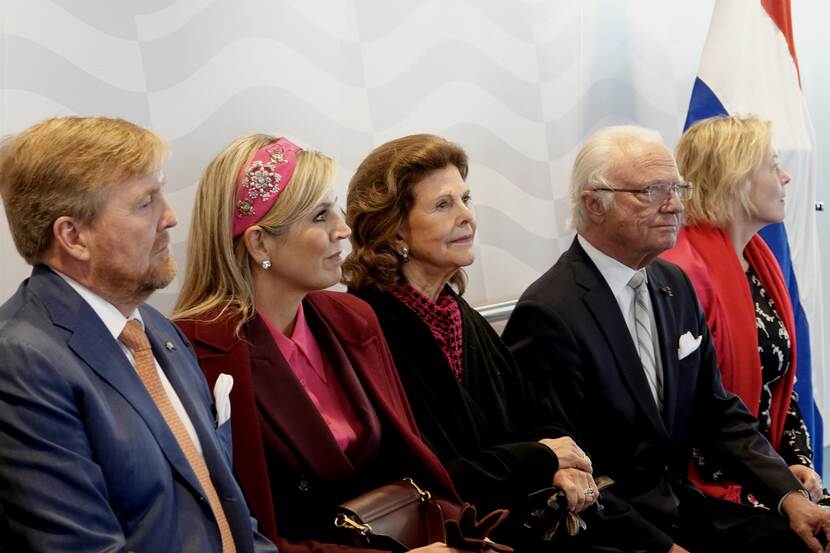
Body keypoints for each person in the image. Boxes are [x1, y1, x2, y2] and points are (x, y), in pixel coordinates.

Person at [502, 125, 830, 553]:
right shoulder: (549, 313)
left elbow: (717, 413)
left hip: (681, 508)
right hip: (612, 529)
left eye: (676, 188)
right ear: (594, 205)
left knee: (811, 539)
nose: (675, 205)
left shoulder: (670, 281)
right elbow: (568, 470)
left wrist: (788, 495)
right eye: (652, 191)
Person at [172, 134, 494, 553]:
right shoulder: (199, 353)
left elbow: (412, 464)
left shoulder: (351, 318)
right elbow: (239, 533)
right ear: (259, 243)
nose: (343, 229)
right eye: (321, 216)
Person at [0, 116, 276, 553]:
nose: (170, 217)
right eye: (145, 202)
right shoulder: (21, 361)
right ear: (73, 236)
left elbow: (229, 512)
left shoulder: (157, 328)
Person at [343, 134, 597, 549]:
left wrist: (561, 464)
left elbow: (539, 418)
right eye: (443, 205)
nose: (468, 217)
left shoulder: (458, 315)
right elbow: (435, 476)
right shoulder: (368, 329)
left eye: (466, 198)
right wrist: (544, 459)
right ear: (393, 231)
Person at [660, 115, 825, 506]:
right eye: (772, 164)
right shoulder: (681, 275)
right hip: (712, 487)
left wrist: (797, 462)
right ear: (735, 179)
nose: (785, 177)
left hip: (767, 470)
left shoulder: (758, 261)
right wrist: (779, 482)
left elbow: (779, 378)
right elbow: (696, 415)